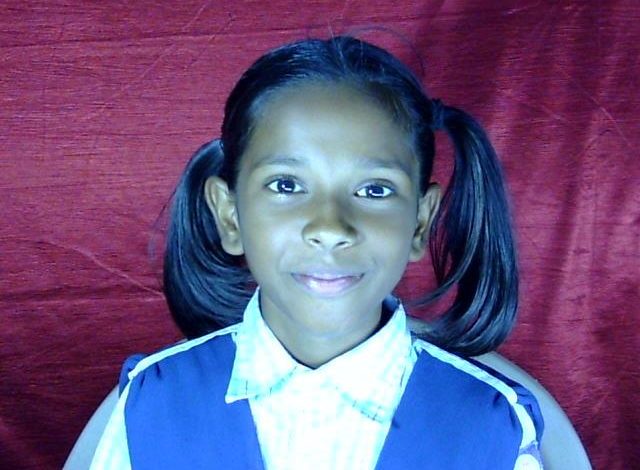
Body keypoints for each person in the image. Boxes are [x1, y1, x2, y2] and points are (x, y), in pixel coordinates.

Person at [90, 36, 544, 470]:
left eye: (374, 190)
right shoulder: (151, 404)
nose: (330, 228)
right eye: (286, 185)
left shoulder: (492, 425)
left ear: (421, 222)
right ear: (230, 216)